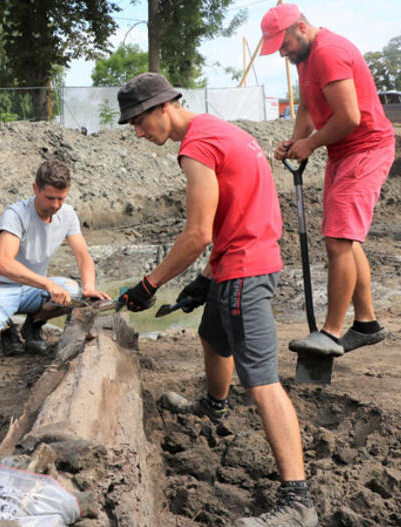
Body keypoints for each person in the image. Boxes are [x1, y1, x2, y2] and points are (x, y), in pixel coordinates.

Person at [116, 72, 317, 527]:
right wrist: (207, 279)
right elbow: (237, 212)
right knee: (211, 333)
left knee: (263, 381)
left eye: (139, 120)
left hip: (246, 269)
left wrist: (150, 285)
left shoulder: (195, 149)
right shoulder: (221, 130)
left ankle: (298, 501)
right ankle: (214, 404)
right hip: (244, 259)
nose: (138, 131)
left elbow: (197, 234)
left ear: (163, 107)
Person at [260, 3, 394, 355]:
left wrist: (311, 143)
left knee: (338, 241)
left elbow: (349, 117)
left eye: (283, 44)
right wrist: (295, 141)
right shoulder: (305, 59)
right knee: (346, 240)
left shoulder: (329, 53)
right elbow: (307, 106)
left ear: (300, 28)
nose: (282, 53)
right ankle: (366, 324)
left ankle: (331, 333)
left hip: (365, 149)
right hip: (343, 152)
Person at [0, 159, 109, 354]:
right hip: (2, 288)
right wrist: (47, 284)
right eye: (50, 198)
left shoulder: (68, 215)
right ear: (36, 189)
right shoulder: (16, 214)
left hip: (33, 289)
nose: (55, 205)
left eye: (61, 199)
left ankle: (33, 326)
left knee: (73, 291)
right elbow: (5, 264)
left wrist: (89, 288)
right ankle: (6, 332)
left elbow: (83, 256)